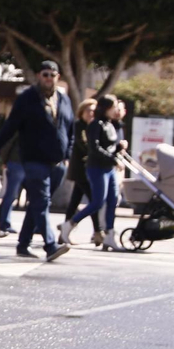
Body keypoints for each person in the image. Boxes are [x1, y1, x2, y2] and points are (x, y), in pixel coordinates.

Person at [0, 62, 75, 261]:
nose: (49, 78)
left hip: (58, 163)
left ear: (58, 77)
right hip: (34, 159)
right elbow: (10, 126)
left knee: (38, 203)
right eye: (45, 74)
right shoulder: (27, 98)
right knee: (41, 200)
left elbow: (70, 130)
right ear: (39, 76)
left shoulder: (64, 99)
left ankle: (23, 244)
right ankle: (50, 245)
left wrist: (68, 155)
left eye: (52, 75)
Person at [61, 95, 122, 250]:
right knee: (97, 202)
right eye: (113, 106)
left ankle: (109, 234)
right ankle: (70, 224)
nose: (116, 110)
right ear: (106, 108)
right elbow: (94, 148)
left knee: (113, 200)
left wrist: (119, 148)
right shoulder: (95, 125)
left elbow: (109, 147)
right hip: (97, 167)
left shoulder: (110, 124)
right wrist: (113, 159)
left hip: (109, 168)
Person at [59, 98, 97, 244]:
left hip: (89, 169)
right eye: (88, 110)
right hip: (81, 169)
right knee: (94, 201)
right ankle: (98, 231)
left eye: (93, 111)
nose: (91, 113)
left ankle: (65, 230)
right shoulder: (79, 126)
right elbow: (83, 144)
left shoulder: (94, 126)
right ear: (82, 112)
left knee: (75, 201)